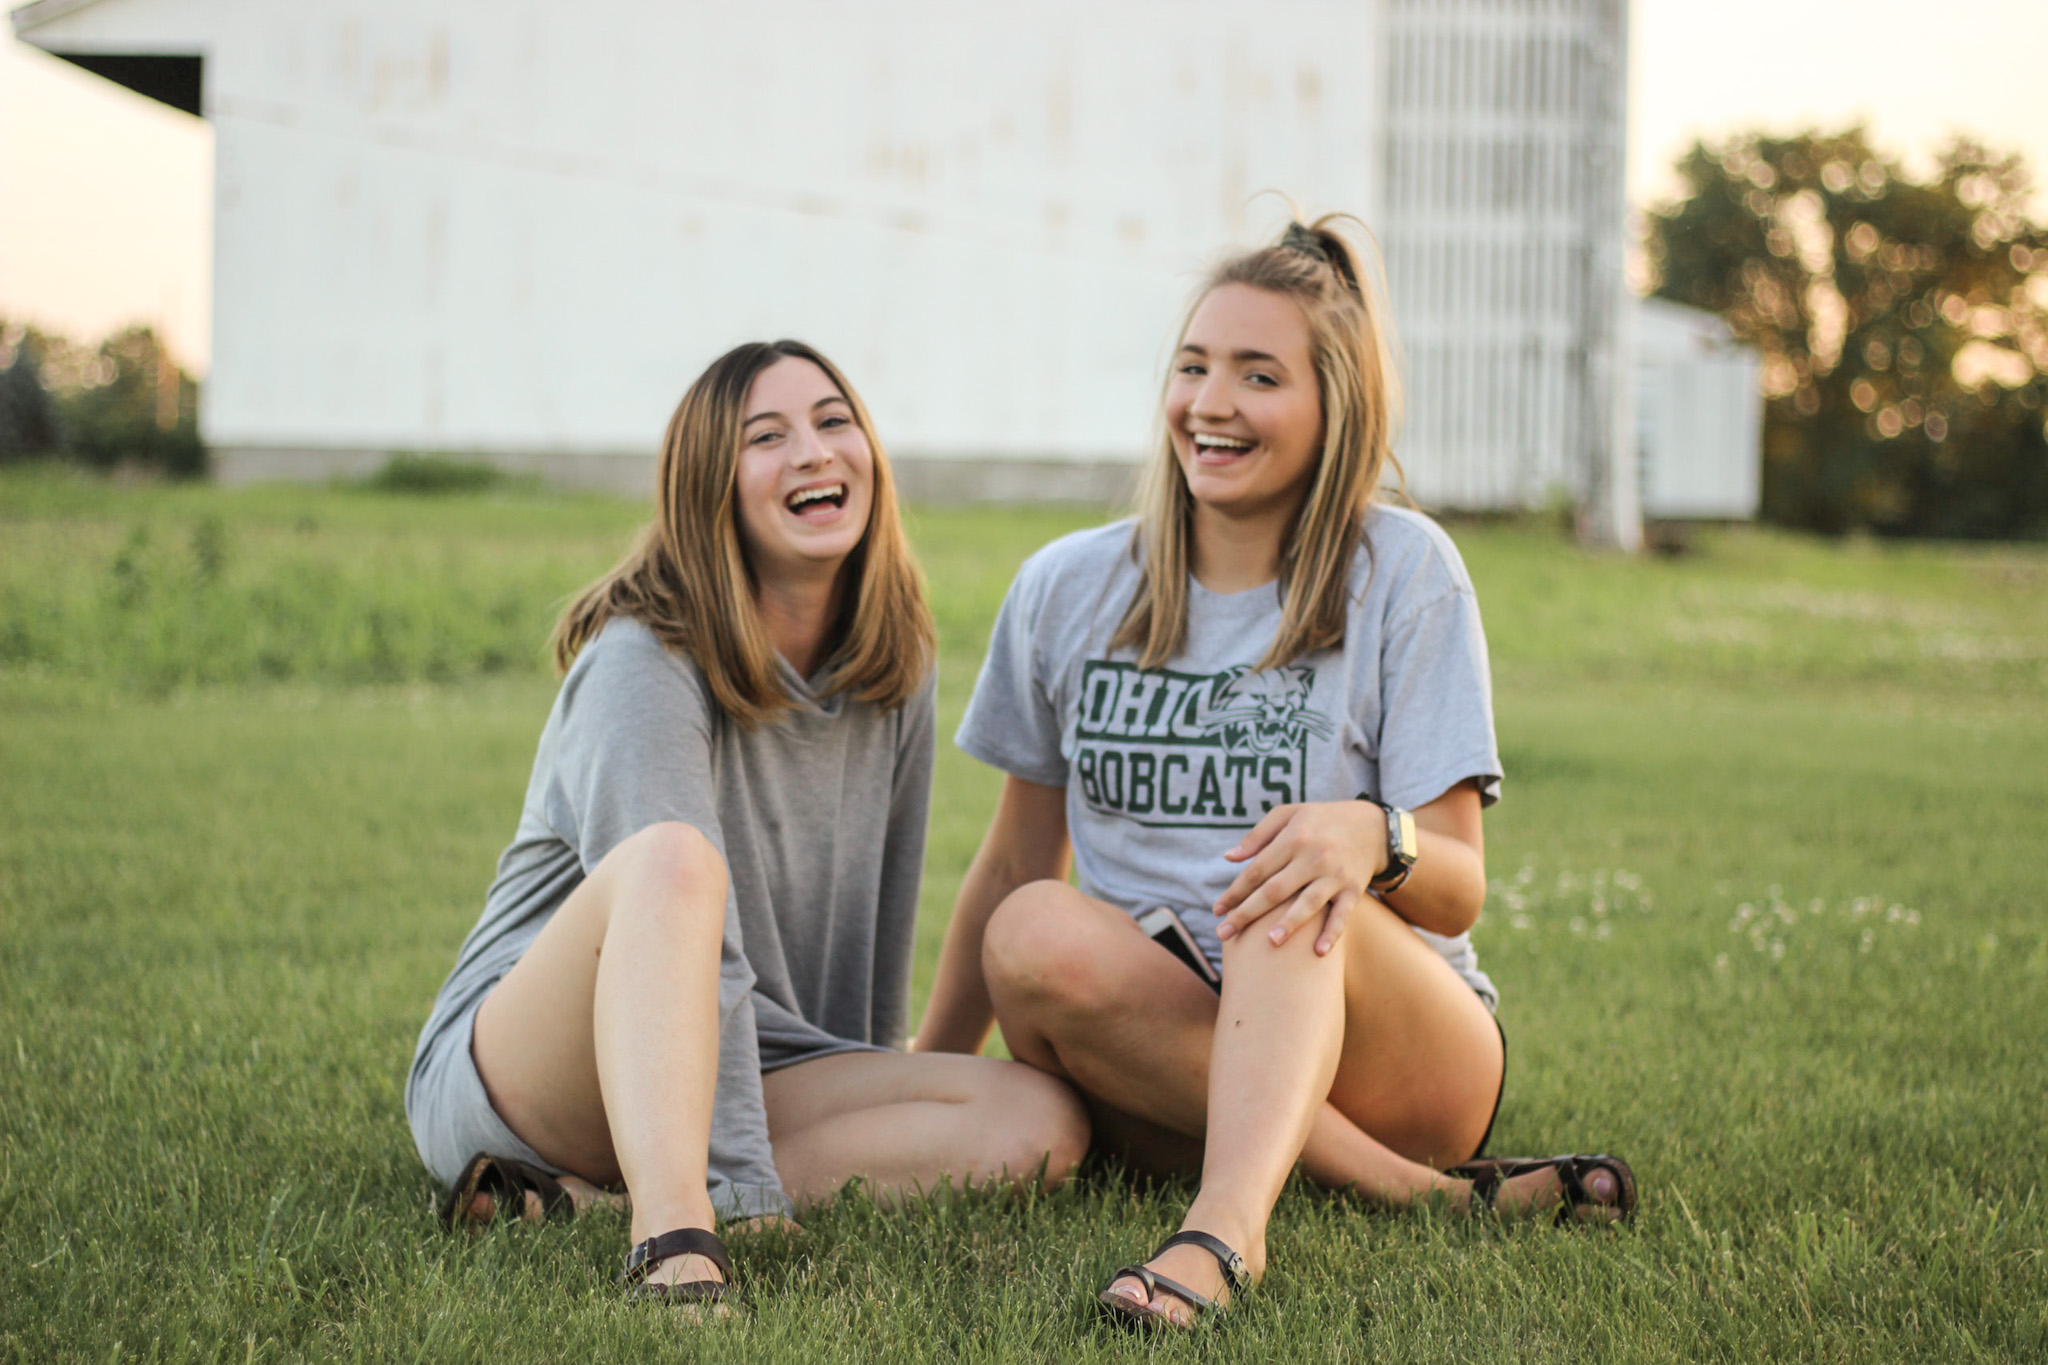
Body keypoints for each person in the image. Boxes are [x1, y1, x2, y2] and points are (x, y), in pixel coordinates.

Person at [914, 217, 1635, 1329]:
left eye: (1259, 375)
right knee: (1029, 924)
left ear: (1333, 405)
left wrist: (1368, 836)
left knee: (1288, 872)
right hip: (1157, 1062)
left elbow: (1456, 885)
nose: (1211, 404)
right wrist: (928, 1073)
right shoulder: (1065, 588)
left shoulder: (1404, 573)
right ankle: (1415, 1196)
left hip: (1398, 1060)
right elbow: (1013, 860)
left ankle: (1222, 1233)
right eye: (1192, 367)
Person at [405, 340, 1089, 1306]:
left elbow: (875, 916)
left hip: (750, 1052)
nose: (813, 451)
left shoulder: (896, 658)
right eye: (766, 437)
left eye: (834, 421)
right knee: (675, 862)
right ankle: (671, 1236)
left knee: (1041, 1119)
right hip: (530, 1069)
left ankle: (574, 1204)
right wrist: (741, 1191)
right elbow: (683, 927)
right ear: (709, 486)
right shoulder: (642, 662)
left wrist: (872, 1068)